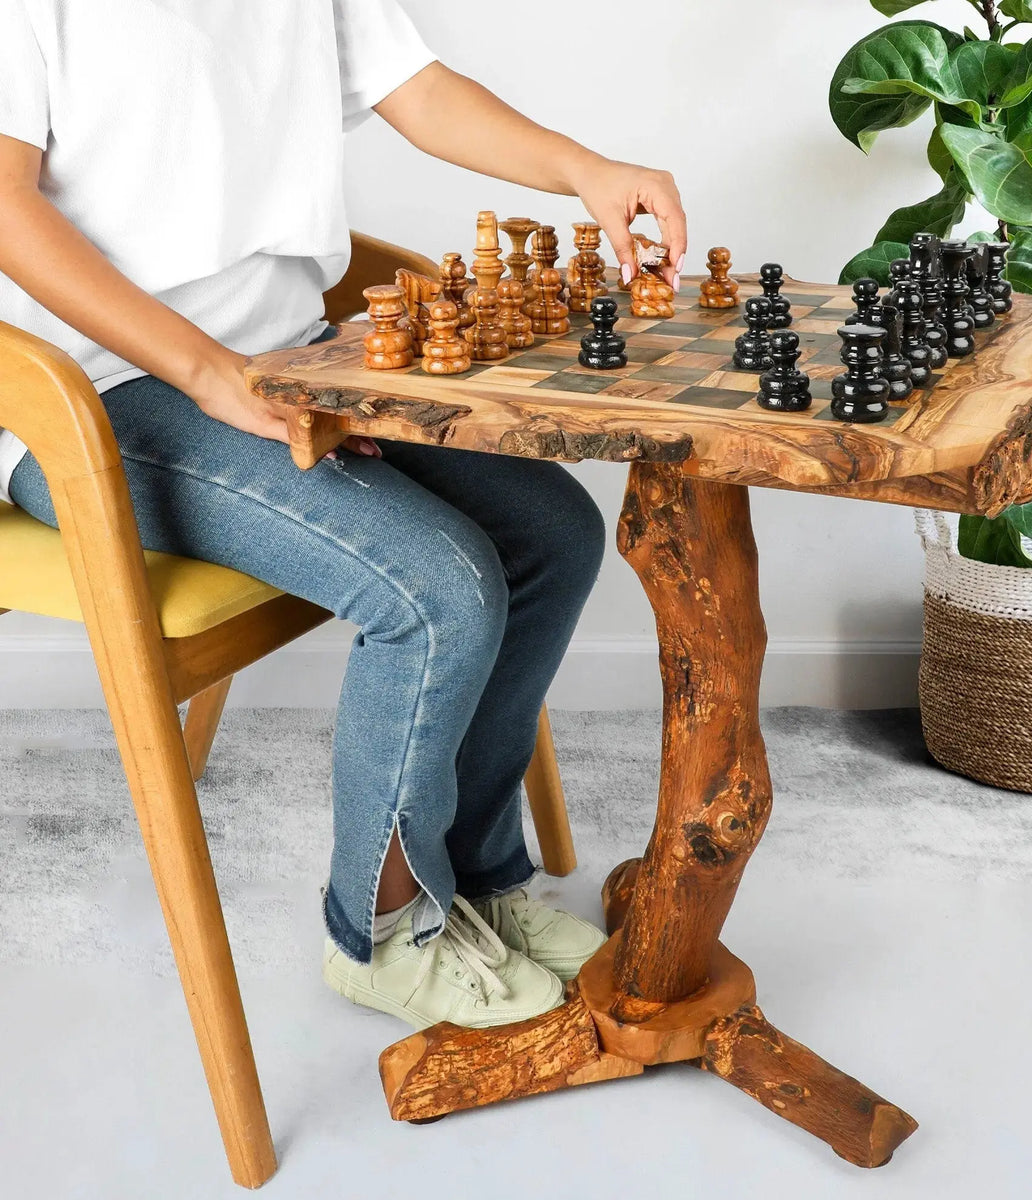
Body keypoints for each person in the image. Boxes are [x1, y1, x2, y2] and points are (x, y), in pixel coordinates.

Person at [0, 1, 687, 1030]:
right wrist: (204, 371)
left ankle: (473, 879)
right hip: (96, 396)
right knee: (439, 584)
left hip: (287, 362)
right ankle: (383, 928)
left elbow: (418, 91)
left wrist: (585, 169)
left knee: (551, 531)